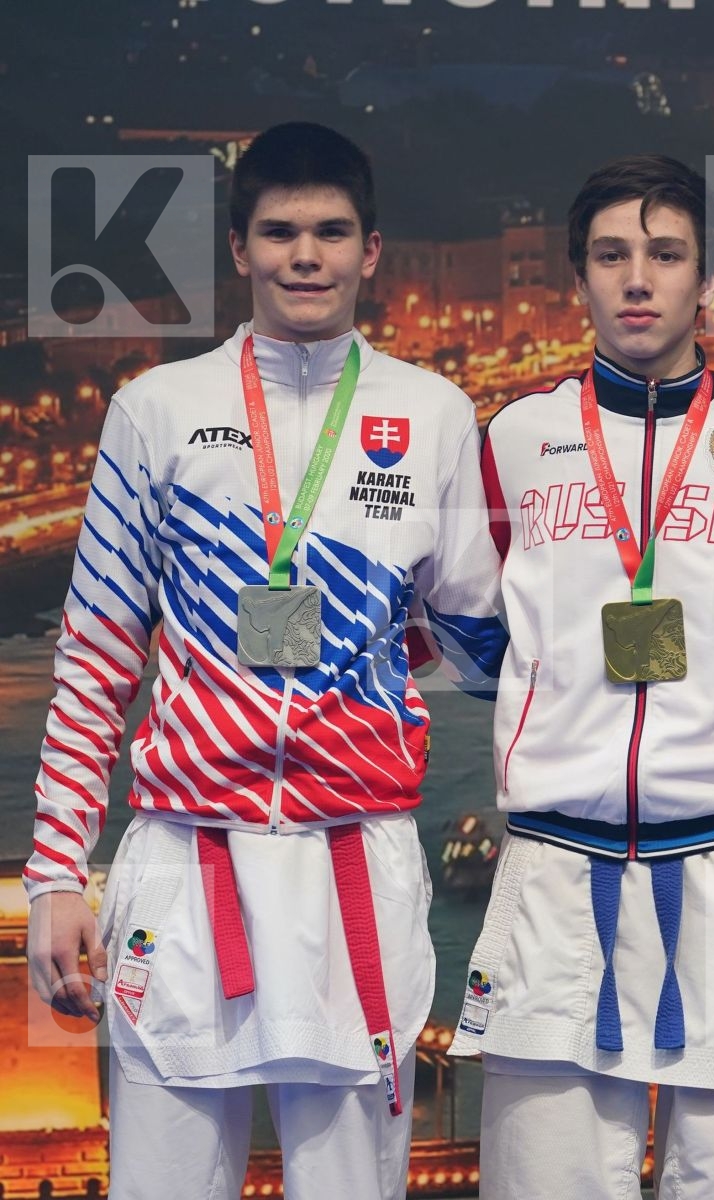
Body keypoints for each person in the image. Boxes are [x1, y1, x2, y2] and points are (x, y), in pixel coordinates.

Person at [24, 122, 505, 1199]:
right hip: (186, 862)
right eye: (279, 232)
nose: (306, 256)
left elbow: (479, 642)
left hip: (356, 861)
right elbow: (98, 655)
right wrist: (57, 872)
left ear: (370, 250)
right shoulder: (156, 410)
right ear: (239, 250)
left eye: (331, 232)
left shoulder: (432, 415)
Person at [448, 154, 714, 1199]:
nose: (637, 279)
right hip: (553, 877)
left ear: (705, 277)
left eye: (664, 255)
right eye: (611, 255)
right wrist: (568, 709)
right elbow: (474, 637)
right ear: (576, 277)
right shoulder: (515, 438)